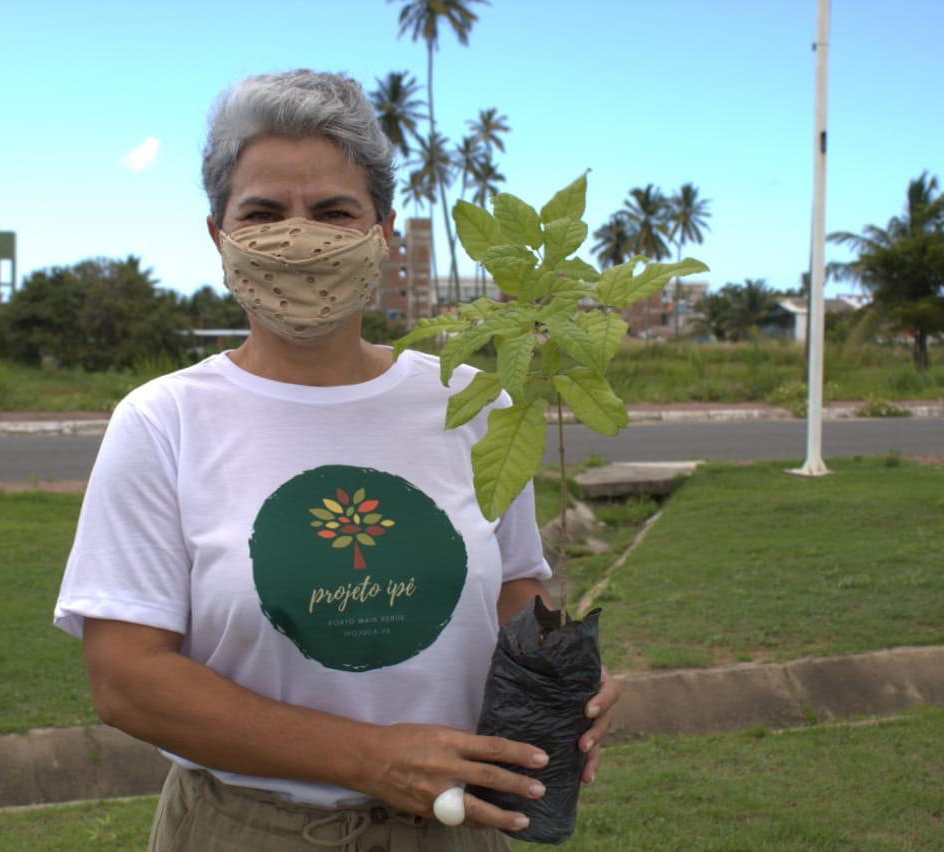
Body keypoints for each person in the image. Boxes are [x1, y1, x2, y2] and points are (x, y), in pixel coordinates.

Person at [53, 69, 619, 852]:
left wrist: (558, 680)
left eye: (332, 211)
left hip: (454, 828)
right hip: (248, 829)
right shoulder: (163, 422)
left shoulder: (471, 403)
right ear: (218, 235)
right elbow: (127, 681)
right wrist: (369, 758)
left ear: (382, 231)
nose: (300, 237)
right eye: (263, 213)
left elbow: (513, 591)